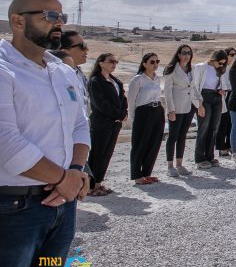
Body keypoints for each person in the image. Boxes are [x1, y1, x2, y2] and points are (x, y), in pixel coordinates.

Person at [0, 0, 91, 267]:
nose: (59, 23)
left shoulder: (61, 71)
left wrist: (76, 170)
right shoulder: (4, 69)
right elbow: (6, 143)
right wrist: (65, 179)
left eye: (61, 16)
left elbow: (80, 125)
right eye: (49, 16)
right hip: (14, 209)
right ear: (18, 21)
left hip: (61, 208)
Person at [87, 53, 127, 196]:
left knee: (106, 154)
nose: (114, 64)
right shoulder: (95, 81)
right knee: (97, 154)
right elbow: (100, 104)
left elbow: (123, 99)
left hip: (114, 124)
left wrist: (124, 113)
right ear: (101, 63)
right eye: (111, 61)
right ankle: (90, 186)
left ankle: (98, 183)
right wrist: (119, 114)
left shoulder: (115, 81)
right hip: (101, 123)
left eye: (115, 62)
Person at [129, 52, 165, 183]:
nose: (155, 64)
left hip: (157, 110)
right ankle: (137, 176)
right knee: (140, 143)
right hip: (143, 112)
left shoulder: (157, 78)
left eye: (157, 61)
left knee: (154, 142)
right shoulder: (138, 79)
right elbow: (131, 101)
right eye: (152, 62)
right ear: (144, 64)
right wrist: (134, 118)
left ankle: (147, 173)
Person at [162, 45, 196, 177]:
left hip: (188, 106)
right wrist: (170, 110)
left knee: (183, 135)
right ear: (178, 54)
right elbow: (167, 91)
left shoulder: (191, 69)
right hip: (176, 107)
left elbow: (193, 87)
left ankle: (179, 164)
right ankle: (170, 166)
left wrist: (199, 103)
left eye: (189, 53)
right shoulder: (171, 69)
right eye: (184, 52)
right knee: (173, 136)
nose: (187, 55)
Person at [192, 49, 228, 168]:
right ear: (213, 59)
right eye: (220, 62)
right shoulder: (200, 67)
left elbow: (223, 84)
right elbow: (195, 85)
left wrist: (222, 90)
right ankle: (199, 158)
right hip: (204, 97)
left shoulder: (220, 70)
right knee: (204, 127)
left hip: (217, 98)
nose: (221, 65)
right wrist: (199, 104)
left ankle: (210, 156)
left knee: (214, 128)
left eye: (223, 64)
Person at [59, 30, 90, 110]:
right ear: (65, 51)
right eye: (82, 46)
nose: (87, 49)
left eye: (85, 45)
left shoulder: (79, 73)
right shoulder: (57, 76)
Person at [216, 47, 236, 158]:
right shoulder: (220, 68)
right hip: (223, 96)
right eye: (231, 54)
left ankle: (229, 145)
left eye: (234, 55)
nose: (233, 57)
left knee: (231, 122)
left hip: (231, 95)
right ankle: (221, 147)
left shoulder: (232, 68)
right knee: (222, 123)